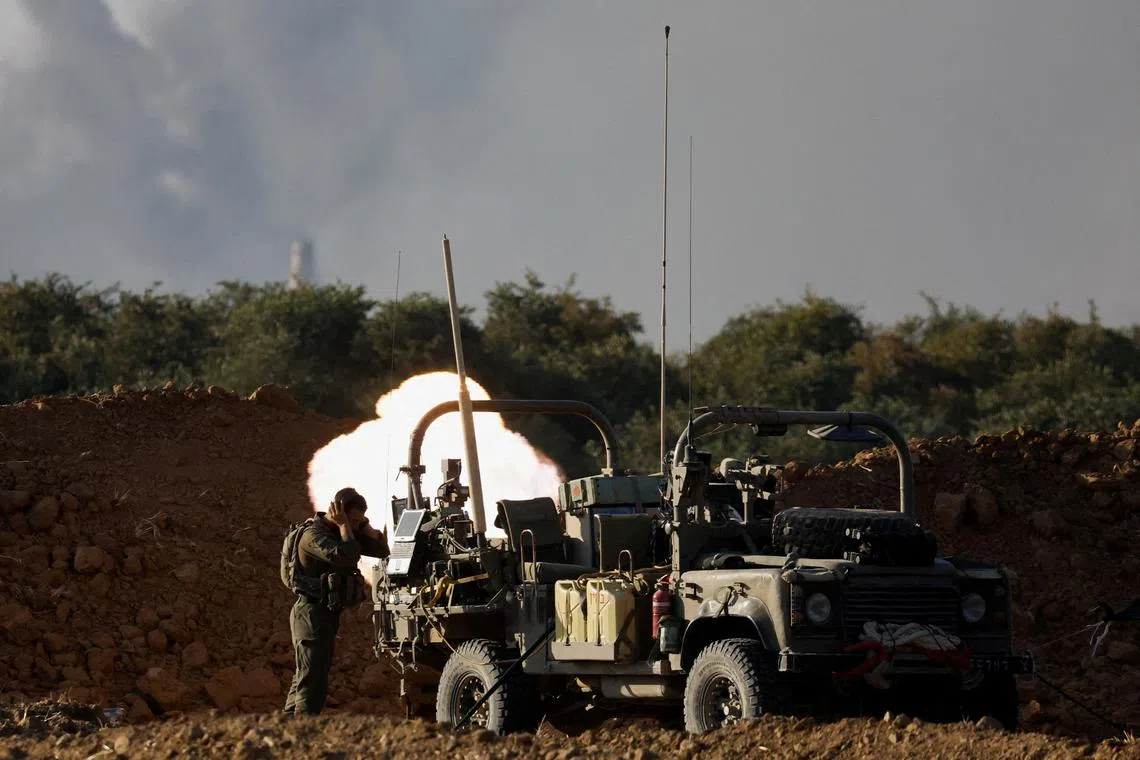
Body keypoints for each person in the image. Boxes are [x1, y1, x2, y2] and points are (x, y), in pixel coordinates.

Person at [282, 487, 388, 717]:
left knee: (308, 676)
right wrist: (344, 526)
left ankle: (286, 732)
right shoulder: (314, 535)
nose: (355, 526)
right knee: (313, 684)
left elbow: (381, 549)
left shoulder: (343, 530)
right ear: (337, 511)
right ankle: (302, 735)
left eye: (359, 521)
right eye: (353, 519)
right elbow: (347, 556)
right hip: (310, 613)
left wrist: (361, 524)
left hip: (323, 614)